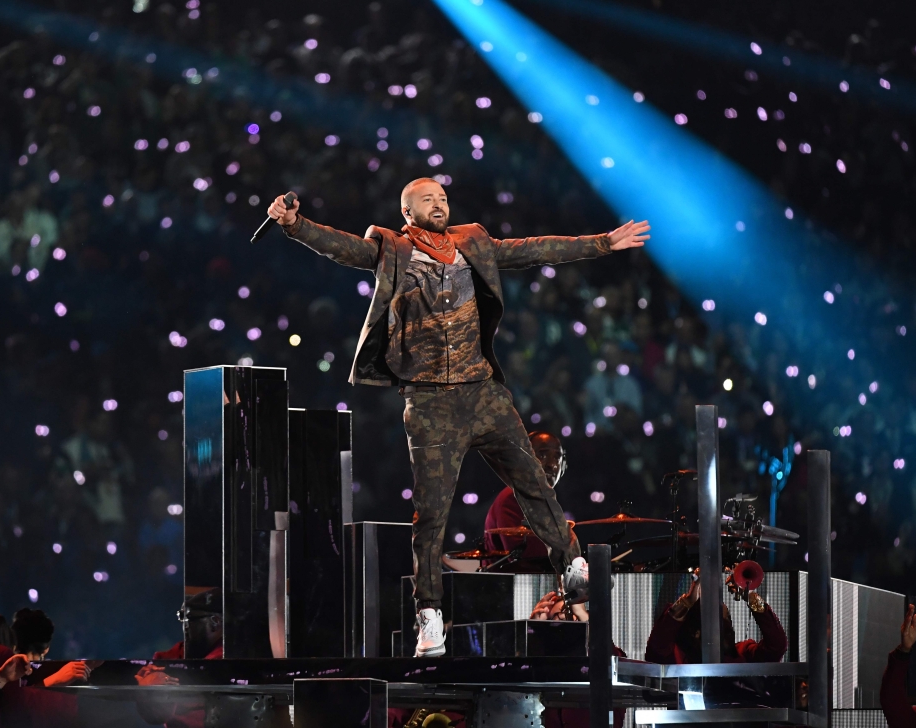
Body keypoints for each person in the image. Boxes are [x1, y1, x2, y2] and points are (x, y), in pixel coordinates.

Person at [267, 180, 649, 657]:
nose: (440, 204)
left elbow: (534, 250)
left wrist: (603, 243)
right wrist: (293, 224)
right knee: (432, 514)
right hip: (430, 403)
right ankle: (429, 613)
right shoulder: (393, 248)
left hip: (483, 392)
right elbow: (341, 247)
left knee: (533, 479)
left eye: (443, 198)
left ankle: (571, 564)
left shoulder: (474, 243)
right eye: (428, 199)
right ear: (407, 211)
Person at [644, 570, 787, 664]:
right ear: (697, 632)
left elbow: (776, 646)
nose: (729, 627)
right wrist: (687, 601)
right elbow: (658, 646)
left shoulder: (744, 654)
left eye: (728, 620)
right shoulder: (679, 658)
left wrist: (750, 597)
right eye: (722, 620)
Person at [529, 592, 625, 728]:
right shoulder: (546, 664)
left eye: (565, 618)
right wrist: (534, 630)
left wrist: (583, 616)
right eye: (551, 622)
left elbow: (608, 660)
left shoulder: (607, 655)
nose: (559, 626)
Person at [134, 589, 224, 728]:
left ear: (215, 622)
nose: (184, 626)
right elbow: (156, 716)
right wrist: (147, 687)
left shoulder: (228, 655)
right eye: (181, 617)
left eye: (189, 618)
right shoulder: (175, 654)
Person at [484, 431, 568, 565]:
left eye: (557, 457)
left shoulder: (541, 500)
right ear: (522, 459)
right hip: (514, 585)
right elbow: (524, 560)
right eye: (542, 454)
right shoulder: (512, 498)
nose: (552, 465)